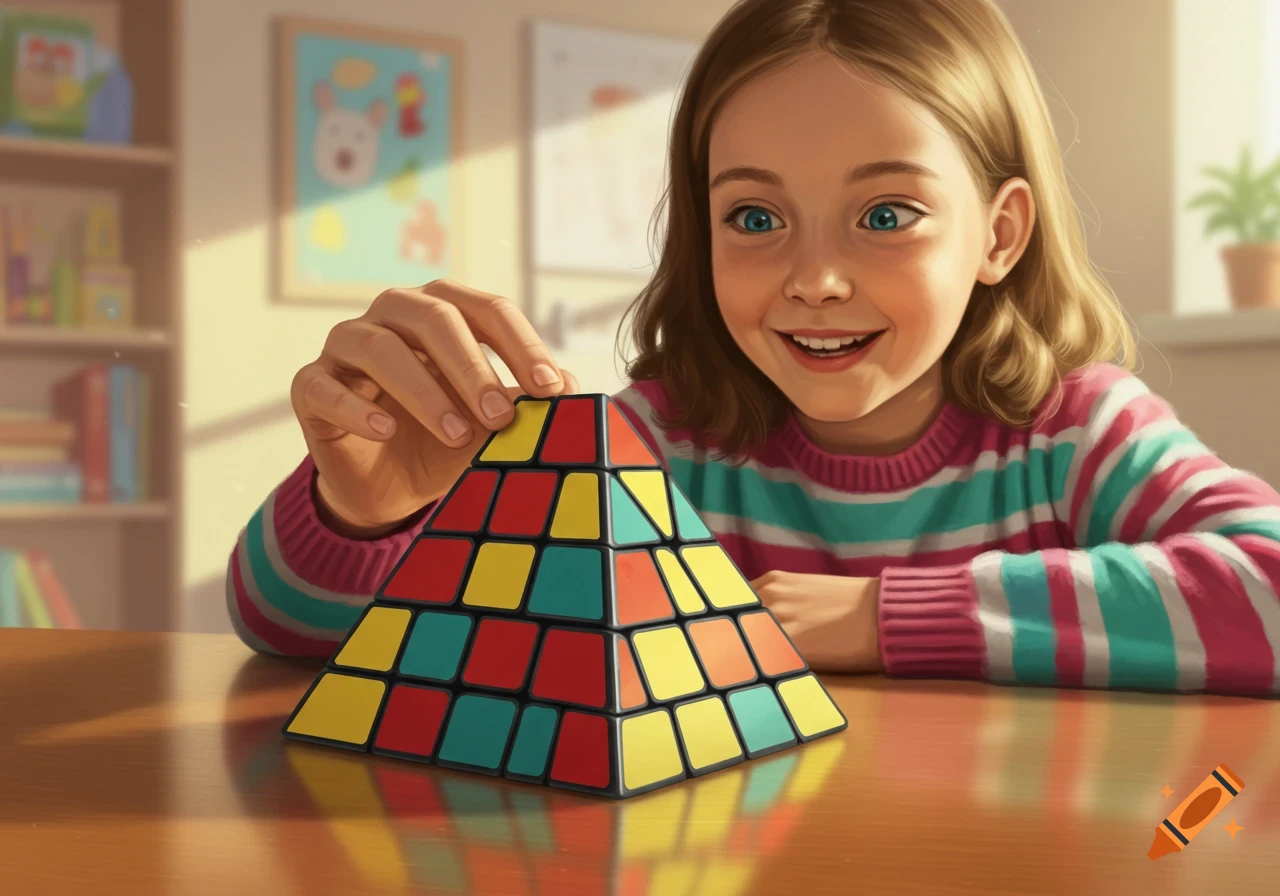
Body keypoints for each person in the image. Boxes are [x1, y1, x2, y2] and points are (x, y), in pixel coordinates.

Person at [226, 0, 1280, 695]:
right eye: (754, 219)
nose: (811, 278)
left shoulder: (1075, 427)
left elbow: (1267, 588)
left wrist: (883, 617)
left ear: (997, 233)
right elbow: (294, 632)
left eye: (883, 214)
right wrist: (363, 507)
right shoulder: (653, 444)